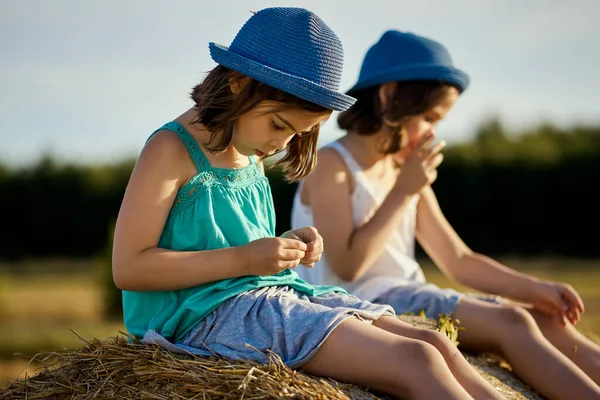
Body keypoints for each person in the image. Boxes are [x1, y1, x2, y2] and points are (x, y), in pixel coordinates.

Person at [112, 9, 505, 400]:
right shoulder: (170, 149)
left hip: (265, 295)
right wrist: (246, 260)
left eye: (298, 132)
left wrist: (285, 247)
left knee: (435, 346)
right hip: (202, 318)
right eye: (280, 126)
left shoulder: (248, 146)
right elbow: (129, 267)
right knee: (416, 360)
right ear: (238, 82)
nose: (282, 144)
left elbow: (232, 245)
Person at [291, 29, 600, 400]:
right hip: (364, 302)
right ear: (389, 97)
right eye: (429, 117)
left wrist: (536, 289)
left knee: (545, 320)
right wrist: (404, 189)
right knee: (513, 322)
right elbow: (347, 266)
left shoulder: (404, 171)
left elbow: (458, 260)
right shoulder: (333, 164)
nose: (433, 133)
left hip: (412, 293)